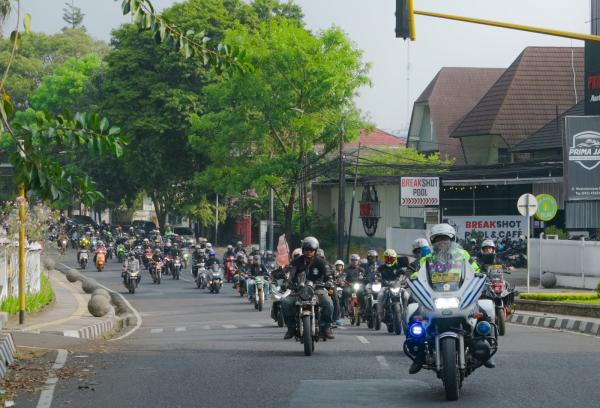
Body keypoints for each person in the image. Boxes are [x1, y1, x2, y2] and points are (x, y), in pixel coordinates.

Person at [408, 223, 486, 374]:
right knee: (413, 317)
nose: (442, 242)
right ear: (433, 242)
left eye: (445, 239)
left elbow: (475, 269)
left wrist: (480, 274)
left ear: (452, 240)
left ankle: (484, 348)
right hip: (435, 297)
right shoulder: (427, 259)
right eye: (438, 239)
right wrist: (412, 278)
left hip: (460, 295)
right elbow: (418, 274)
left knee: (483, 311)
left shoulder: (462, 255)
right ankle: (418, 356)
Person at [282, 236, 335, 340]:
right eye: (306, 249)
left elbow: (328, 274)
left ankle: (326, 327)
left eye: (311, 250)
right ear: (303, 250)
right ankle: (291, 328)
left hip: (317, 290)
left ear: (315, 250)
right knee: (285, 302)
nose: (308, 252)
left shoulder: (321, 262)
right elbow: (290, 273)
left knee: (328, 303)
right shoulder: (296, 261)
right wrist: (286, 281)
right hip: (299, 290)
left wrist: (329, 280)